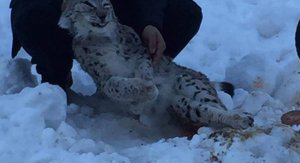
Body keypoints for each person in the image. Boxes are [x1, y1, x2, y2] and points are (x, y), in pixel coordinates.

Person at [10, 0, 202, 94]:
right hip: (60, 9)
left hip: (108, 8)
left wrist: (151, 22)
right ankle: (56, 81)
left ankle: (143, 78)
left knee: (186, 12)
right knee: (33, 15)